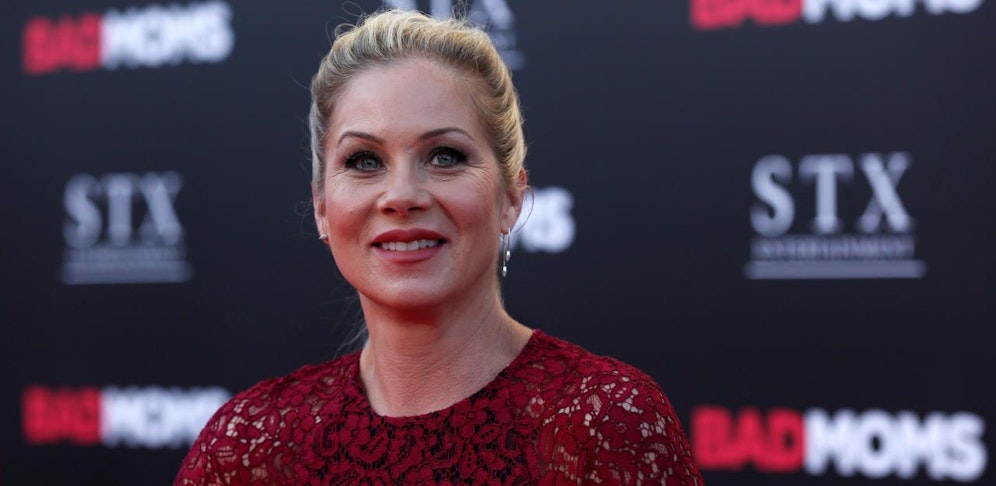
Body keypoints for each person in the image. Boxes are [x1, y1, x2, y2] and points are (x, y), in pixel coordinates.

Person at [175, 9, 703, 485]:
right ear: (321, 208)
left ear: (511, 198)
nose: (402, 195)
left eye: (445, 156)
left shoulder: (604, 424)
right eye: (364, 161)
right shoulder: (252, 446)